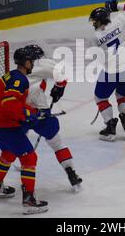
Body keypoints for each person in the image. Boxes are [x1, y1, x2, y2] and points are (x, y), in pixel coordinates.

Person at [0, 45, 48, 215]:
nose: (34, 63)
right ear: (26, 63)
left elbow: (13, 103)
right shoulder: (20, 79)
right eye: (32, 61)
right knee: (29, 158)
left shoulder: (13, 76)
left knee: (9, 152)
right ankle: (29, 200)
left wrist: (32, 112)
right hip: (5, 123)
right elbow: (9, 103)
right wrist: (27, 115)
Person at [24, 44, 82, 191]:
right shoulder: (43, 62)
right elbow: (61, 77)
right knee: (57, 144)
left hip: (19, 111)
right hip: (40, 111)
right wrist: (58, 89)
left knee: (16, 144)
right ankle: (71, 172)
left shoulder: (19, 67)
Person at [89, 0, 125, 142]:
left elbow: (97, 57)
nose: (93, 24)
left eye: (95, 21)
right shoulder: (120, 21)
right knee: (123, 95)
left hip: (111, 70)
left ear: (100, 21)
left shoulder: (95, 37)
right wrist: (115, 5)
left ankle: (110, 126)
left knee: (100, 97)